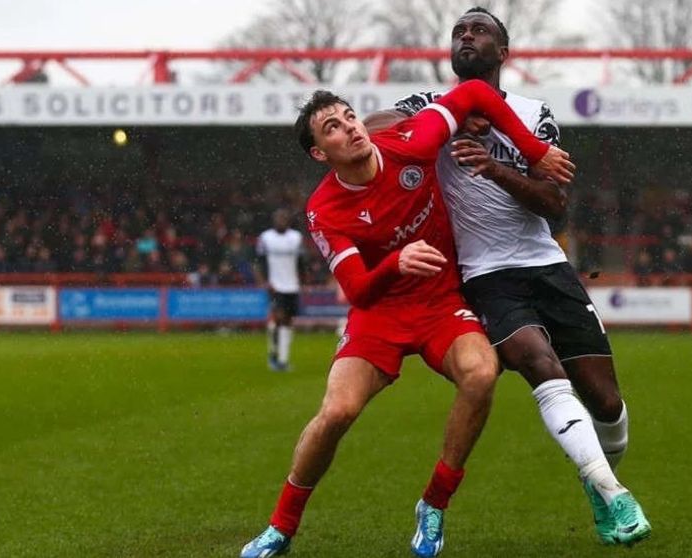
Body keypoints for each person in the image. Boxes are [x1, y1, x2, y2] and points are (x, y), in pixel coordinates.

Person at [240, 79, 574, 558]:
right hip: (380, 313)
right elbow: (357, 289)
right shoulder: (323, 209)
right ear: (319, 153)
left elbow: (478, 92)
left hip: (441, 304)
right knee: (337, 411)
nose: (350, 128)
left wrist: (534, 149)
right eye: (332, 128)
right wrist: (395, 262)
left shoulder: (412, 141)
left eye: (349, 116)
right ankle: (281, 526)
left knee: (481, 375)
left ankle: (433, 505)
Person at [377, 7, 651, 546]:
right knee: (540, 365)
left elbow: (554, 204)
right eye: (458, 31)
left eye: (479, 32)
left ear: (504, 53)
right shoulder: (428, 107)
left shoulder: (532, 113)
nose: (466, 37)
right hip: (485, 275)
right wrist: (452, 116)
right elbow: (369, 131)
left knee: (607, 403)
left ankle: (601, 482)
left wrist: (495, 166)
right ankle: (614, 494)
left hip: (547, 266)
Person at [255, 209, 304, 371]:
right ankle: (274, 355)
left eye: (284, 218)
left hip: (292, 285)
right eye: (278, 218)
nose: (281, 220)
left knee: (288, 321)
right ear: (273, 220)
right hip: (275, 285)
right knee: (279, 317)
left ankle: (282, 358)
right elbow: (259, 263)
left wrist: (302, 281)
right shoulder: (266, 238)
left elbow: (301, 263)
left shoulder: (296, 238)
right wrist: (264, 282)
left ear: (289, 220)